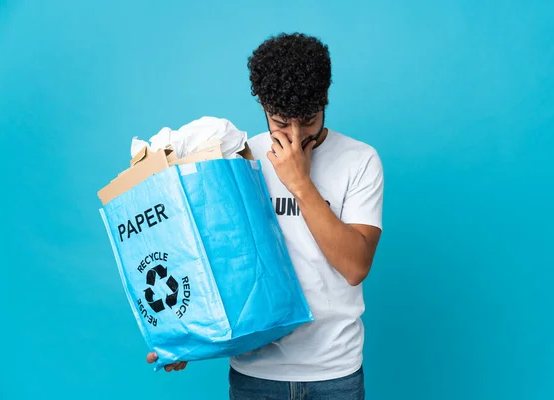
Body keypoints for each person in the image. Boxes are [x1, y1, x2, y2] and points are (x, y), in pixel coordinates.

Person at [147, 32, 384, 400]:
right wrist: (184, 336)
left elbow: (355, 266)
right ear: (263, 106)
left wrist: (300, 184)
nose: (294, 136)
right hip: (256, 373)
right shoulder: (243, 159)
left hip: (335, 372)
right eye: (279, 121)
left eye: (307, 120)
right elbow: (213, 257)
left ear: (325, 101)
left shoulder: (360, 160)